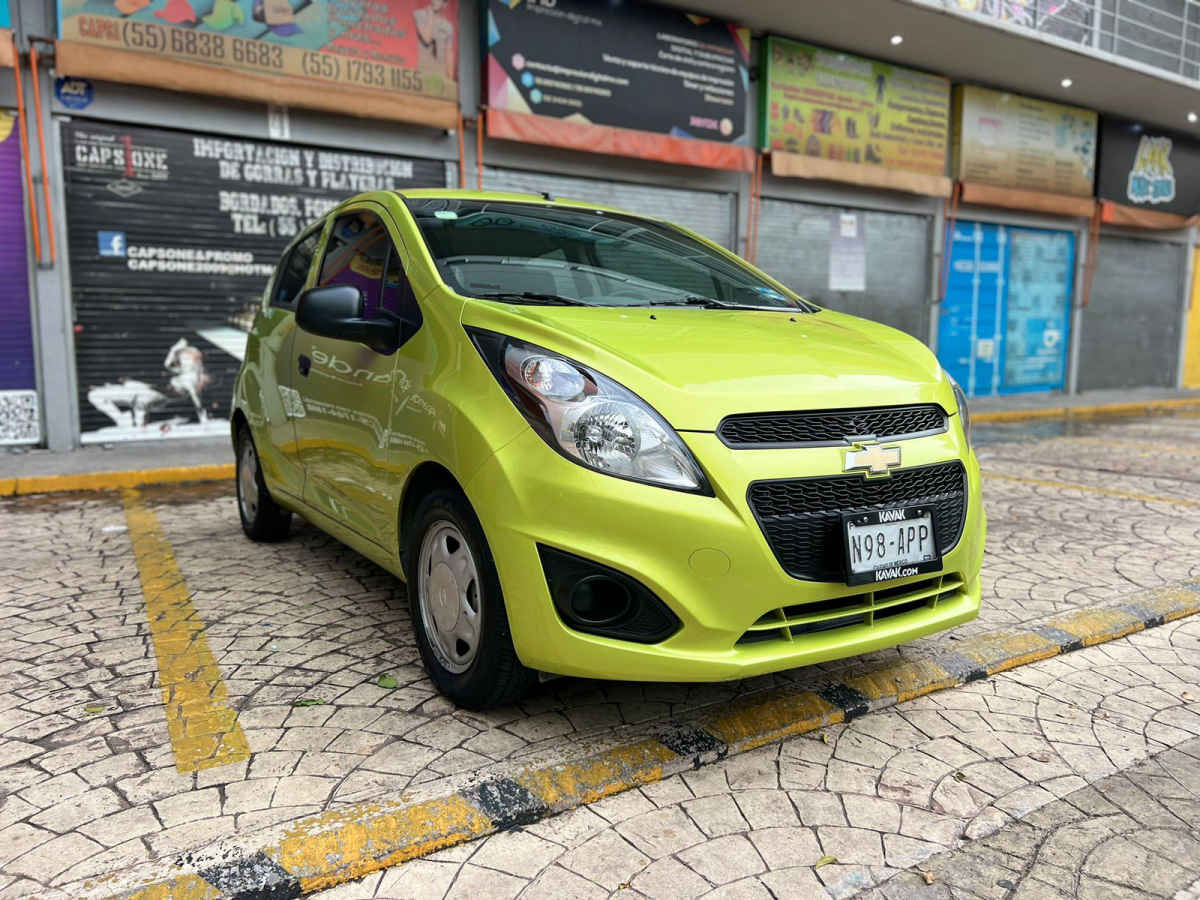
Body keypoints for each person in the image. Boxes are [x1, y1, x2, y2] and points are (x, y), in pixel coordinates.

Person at [164, 338, 212, 423]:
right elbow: (167, 364)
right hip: (186, 377)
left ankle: (202, 416)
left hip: (194, 376)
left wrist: (201, 377)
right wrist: (174, 350)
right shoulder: (177, 352)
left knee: (196, 395)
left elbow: (199, 365)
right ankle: (201, 416)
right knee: (193, 393)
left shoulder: (193, 351)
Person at [414, 0, 455, 83]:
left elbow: (449, 52)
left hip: (440, 73)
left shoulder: (448, 26)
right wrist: (430, 16)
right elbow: (427, 39)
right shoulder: (419, 14)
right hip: (424, 69)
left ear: (445, 4)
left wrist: (450, 78)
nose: (435, 1)